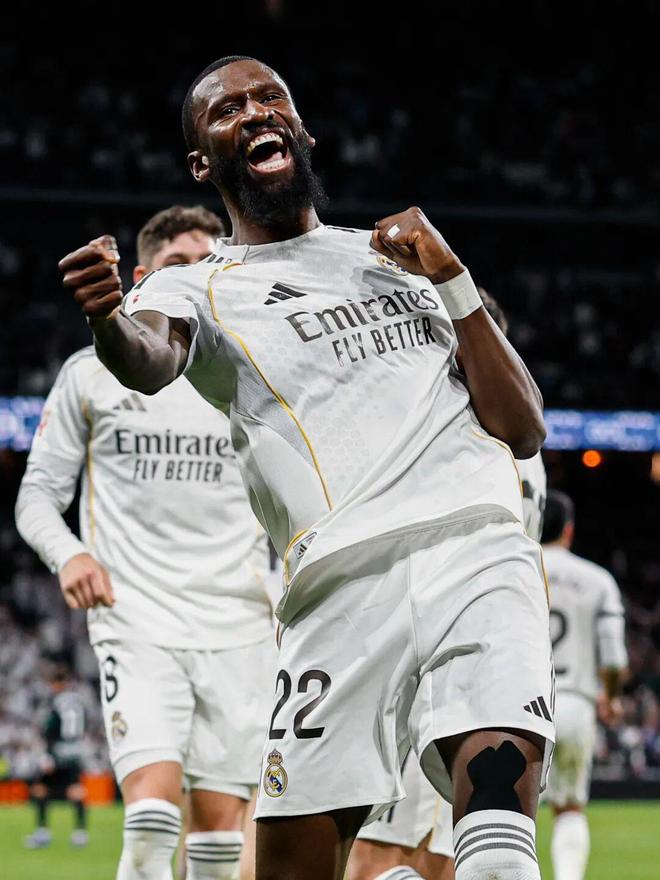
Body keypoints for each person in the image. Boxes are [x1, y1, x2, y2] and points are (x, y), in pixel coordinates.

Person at [58, 56, 554, 880]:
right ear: (202, 163)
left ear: (303, 131)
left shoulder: (393, 257)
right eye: (228, 110)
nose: (255, 112)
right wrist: (108, 318)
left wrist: (453, 276)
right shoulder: (196, 286)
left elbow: (523, 427)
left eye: (270, 99)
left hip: (476, 554)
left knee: (498, 857)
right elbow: (148, 360)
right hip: (335, 589)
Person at [17, 204, 277, 880]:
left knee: (220, 838)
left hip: (242, 625)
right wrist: (70, 553)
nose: (193, 276)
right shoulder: (91, 373)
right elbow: (37, 495)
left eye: (205, 263)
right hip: (137, 619)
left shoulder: (253, 376)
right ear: (142, 279)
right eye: (176, 264)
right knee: (154, 817)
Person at [348, 289, 548, 880]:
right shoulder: (522, 441)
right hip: (496, 665)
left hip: (418, 654)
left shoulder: (424, 432)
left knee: (377, 862)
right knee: (467, 856)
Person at [541, 490, 627, 880]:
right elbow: (613, 656)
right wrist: (611, 697)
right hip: (576, 701)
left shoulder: (514, 569)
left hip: (520, 703)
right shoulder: (597, 580)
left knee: (510, 806)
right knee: (570, 807)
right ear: (569, 529)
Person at [24, 665, 89, 850]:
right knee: (76, 790)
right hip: (76, 752)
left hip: (58, 752)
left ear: (55, 683)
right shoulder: (79, 701)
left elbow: (50, 728)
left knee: (40, 789)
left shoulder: (55, 701)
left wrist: (48, 754)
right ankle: (80, 834)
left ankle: (42, 833)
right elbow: (84, 724)